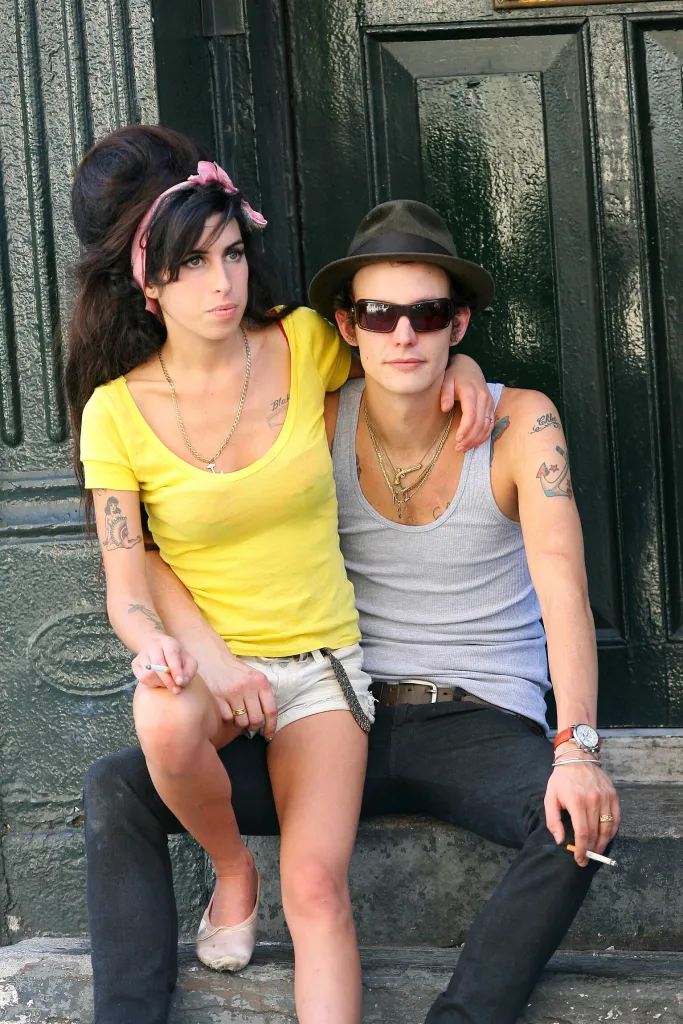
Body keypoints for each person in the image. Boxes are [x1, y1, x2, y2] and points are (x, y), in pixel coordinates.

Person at [67, 127, 493, 1024]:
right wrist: (174, 652)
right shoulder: (116, 412)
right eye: (190, 266)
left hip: (319, 672)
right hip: (212, 677)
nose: (222, 284)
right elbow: (126, 581)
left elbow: (399, 354)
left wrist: (468, 367)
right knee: (159, 713)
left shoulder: (303, 342)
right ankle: (229, 865)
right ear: (148, 286)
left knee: (317, 890)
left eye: (231, 254)